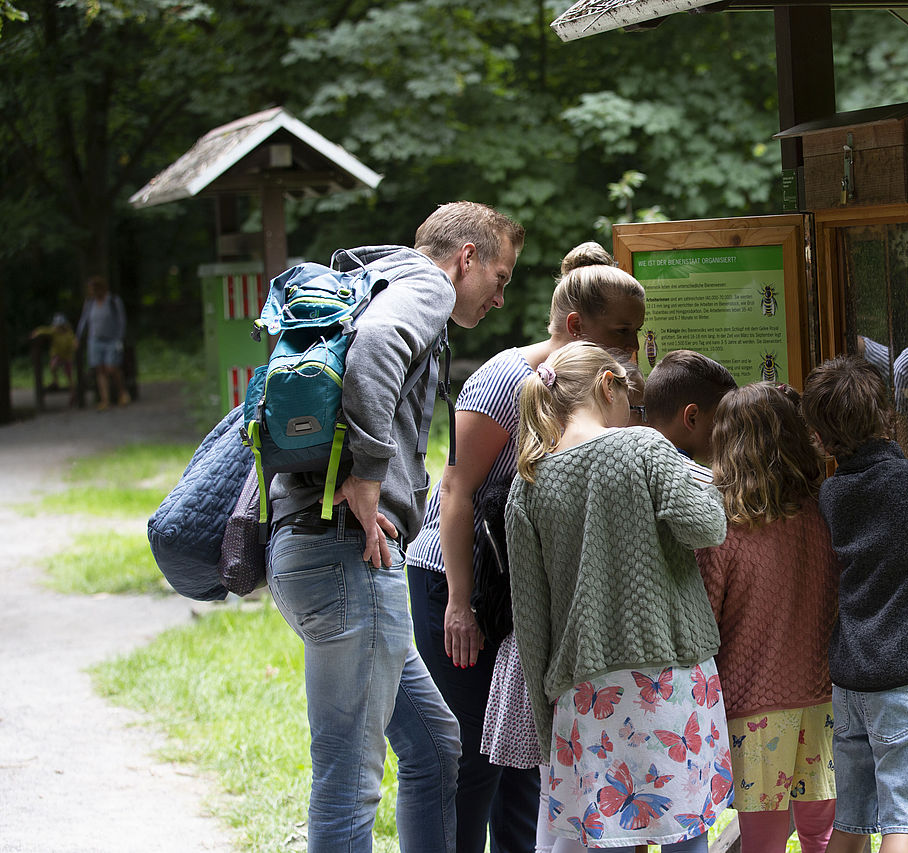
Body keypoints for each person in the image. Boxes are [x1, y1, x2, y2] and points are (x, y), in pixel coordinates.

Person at [266, 201, 524, 853]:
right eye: (501, 275)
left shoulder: (378, 282)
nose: (501, 296)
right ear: (466, 258)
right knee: (349, 778)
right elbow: (377, 349)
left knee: (437, 745)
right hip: (347, 555)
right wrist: (369, 470)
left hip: (316, 552)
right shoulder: (426, 287)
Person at [405, 242, 646, 853]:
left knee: (525, 755)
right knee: (470, 760)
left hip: (520, 591)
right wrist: (459, 604)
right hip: (456, 578)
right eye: (621, 333)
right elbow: (457, 491)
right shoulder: (506, 379)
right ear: (575, 326)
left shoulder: (596, 390)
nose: (632, 349)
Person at [505, 342, 731, 852]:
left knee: (606, 837)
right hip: (669, 683)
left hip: (585, 697)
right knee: (684, 838)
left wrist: (549, 734)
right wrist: (699, 469)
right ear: (608, 385)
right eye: (631, 400)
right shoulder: (644, 448)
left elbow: (531, 621)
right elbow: (708, 526)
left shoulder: (528, 483)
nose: (635, 413)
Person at [799, 353, 908, 853]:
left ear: (821, 440)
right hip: (904, 679)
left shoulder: (833, 495)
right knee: (902, 822)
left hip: (850, 679)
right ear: (889, 419)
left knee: (852, 819)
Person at [694, 383, 840, 853]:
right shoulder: (824, 514)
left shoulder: (723, 529)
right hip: (821, 697)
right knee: (823, 835)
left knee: (762, 845)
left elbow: (705, 622)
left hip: (751, 707)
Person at [642, 350, 737, 484]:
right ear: (692, 417)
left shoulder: (632, 467)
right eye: (723, 419)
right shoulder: (707, 487)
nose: (729, 430)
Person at [75, 276, 128, 410]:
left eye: (94, 289)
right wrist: (78, 337)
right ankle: (105, 400)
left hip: (112, 339)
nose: (92, 292)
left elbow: (121, 320)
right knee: (100, 369)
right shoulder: (89, 303)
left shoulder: (113, 301)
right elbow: (84, 320)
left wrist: (120, 338)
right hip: (95, 339)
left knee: (112, 367)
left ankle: (122, 392)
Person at [29, 313, 77, 392]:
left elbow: (73, 341)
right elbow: (44, 330)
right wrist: (37, 332)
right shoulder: (53, 332)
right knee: (53, 366)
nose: (57, 329)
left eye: (60, 327)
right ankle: (56, 381)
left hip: (67, 356)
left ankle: (72, 389)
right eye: (57, 327)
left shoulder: (69, 334)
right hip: (57, 355)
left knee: (69, 373)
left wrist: (75, 343)